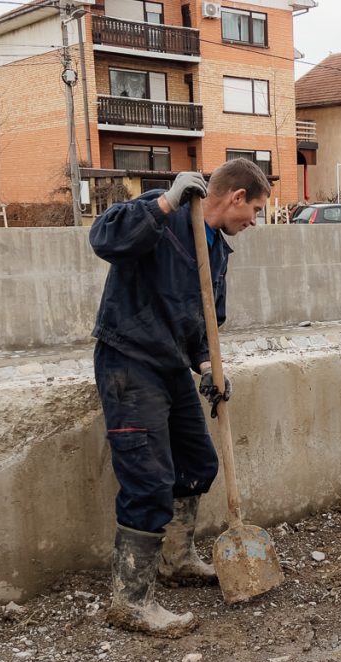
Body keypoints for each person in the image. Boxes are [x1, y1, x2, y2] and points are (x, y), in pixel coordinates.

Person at [89, 159, 270, 636]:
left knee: (196, 462)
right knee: (148, 481)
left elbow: (201, 322)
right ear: (234, 197)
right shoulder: (162, 213)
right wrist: (166, 199)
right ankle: (130, 601)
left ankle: (175, 559)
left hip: (170, 365)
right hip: (130, 361)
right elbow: (104, 239)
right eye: (254, 208)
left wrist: (208, 366)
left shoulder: (217, 249)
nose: (254, 219)